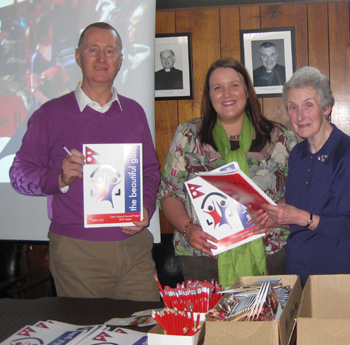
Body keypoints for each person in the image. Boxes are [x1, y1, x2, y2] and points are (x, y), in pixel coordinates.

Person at [9, 22, 160, 302]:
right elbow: (18, 174)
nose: (102, 58)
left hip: (135, 248)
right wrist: (59, 178)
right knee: (88, 329)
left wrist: (146, 206)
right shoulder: (50, 114)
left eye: (110, 51)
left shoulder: (133, 112)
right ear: (78, 57)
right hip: (77, 252)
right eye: (93, 50)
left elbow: (149, 170)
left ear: (120, 60)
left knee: (146, 325)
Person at [158, 57, 296, 288]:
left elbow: (299, 191)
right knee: (211, 314)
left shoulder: (280, 137)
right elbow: (168, 194)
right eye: (217, 88)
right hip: (203, 255)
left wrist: (272, 214)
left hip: (269, 252)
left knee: (268, 312)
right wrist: (188, 229)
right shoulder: (188, 135)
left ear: (247, 91)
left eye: (234, 85)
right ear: (209, 95)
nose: (226, 94)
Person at [249, 66, 350, 285]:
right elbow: (302, 215)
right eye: (293, 107)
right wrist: (274, 219)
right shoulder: (298, 153)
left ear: (327, 107)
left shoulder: (347, 154)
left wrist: (299, 217)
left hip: (338, 275)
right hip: (296, 271)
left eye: (308, 105)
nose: (300, 116)